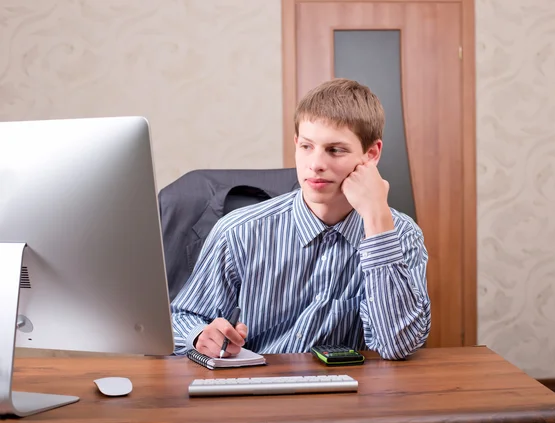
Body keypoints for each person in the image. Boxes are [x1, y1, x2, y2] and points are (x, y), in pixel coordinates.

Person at [171, 78, 430, 360]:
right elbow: (181, 317)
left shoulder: (401, 235)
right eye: (307, 146)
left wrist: (378, 221)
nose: (316, 163)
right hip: (257, 388)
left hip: (348, 395)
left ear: (371, 154)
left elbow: (397, 346)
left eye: (335, 150)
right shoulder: (239, 231)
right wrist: (200, 335)